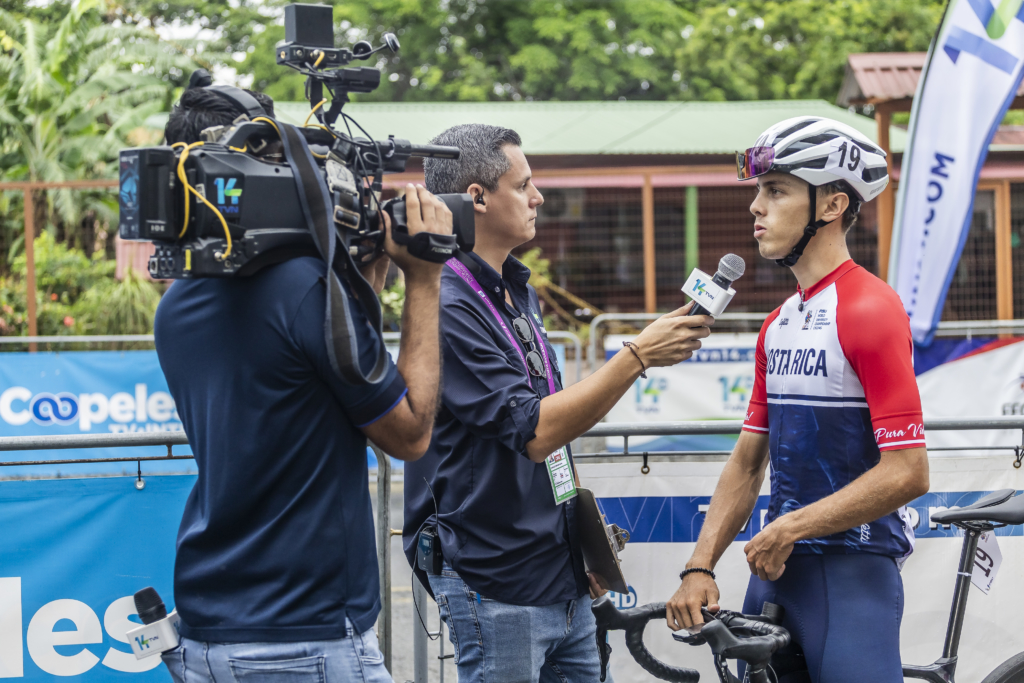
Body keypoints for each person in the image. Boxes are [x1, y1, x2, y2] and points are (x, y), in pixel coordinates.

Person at [154, 80, 452, 682]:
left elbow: (309, 385)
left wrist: (358, 273)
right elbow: (410, 432)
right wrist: (424, 278)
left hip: (210, 633)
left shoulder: (177, 302)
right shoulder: (301, 290)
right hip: (305, 638)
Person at [404, 123, 713, 682]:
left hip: (560, 575)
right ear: (477, 196)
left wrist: (578, 548)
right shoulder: (448, 300)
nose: (539, 198)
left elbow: (551, 433)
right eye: (524, 185)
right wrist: (637, 356)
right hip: (496, 578)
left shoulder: (515, 288)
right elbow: (533, 431)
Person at [664, 116, 931, 682]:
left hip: (850, 574)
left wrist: (791, 527)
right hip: (775, 574)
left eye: (777, 190)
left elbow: (908, 471)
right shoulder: (779, 322)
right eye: (760, 190)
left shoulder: (870, 309)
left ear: (832, 206)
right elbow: (747, 461)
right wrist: (699, 565)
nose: (755, 206)